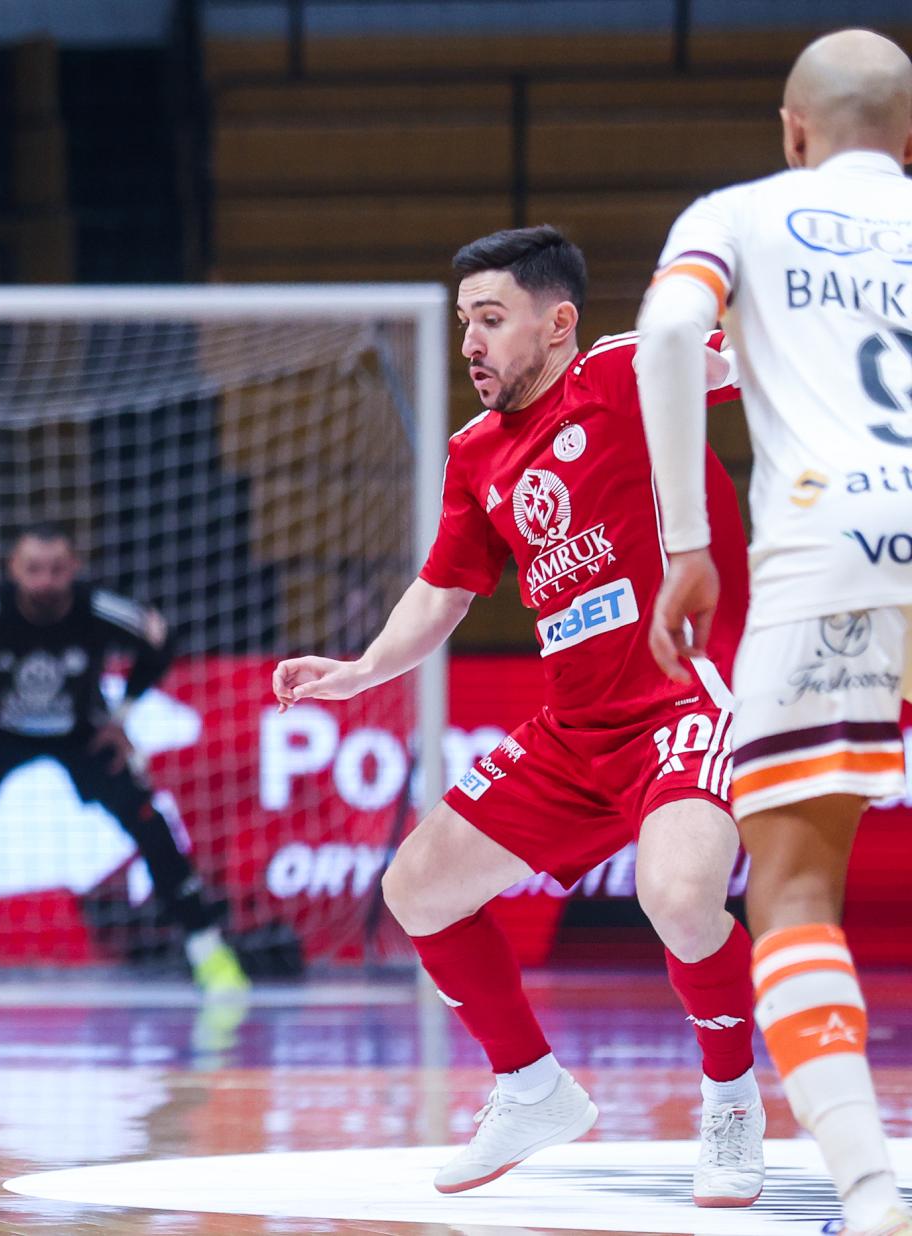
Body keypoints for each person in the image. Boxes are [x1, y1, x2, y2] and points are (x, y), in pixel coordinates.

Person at [273, 226, 765, 1204]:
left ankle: (731, 1103)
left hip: (688, 700)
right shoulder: (473, 454)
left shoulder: (628, 371)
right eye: (464, 322)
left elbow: (755, 366)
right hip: (574, 730)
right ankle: (530, 1087)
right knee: (416, 887)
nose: (469, 342)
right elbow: (441, 592)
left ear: (557, 324)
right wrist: (362, 668)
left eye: (490, 320)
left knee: (675, 898)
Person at [638, 29, 912, 1236]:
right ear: (907, 142)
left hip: (825, 551)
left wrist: (687, 544)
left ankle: (869, 1197)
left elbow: (658, 342)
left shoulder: (737, 214)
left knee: (794, 896)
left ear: (792, 132)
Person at [0, 524, 246, 992]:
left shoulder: (97, 608)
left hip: (84, 735)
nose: (45, 582)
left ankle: (207, 951)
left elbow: (161, 642)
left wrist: (122, 715)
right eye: (33, 570)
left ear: (74, 569)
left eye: (57, 570)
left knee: (150, 823)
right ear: (13, 570)